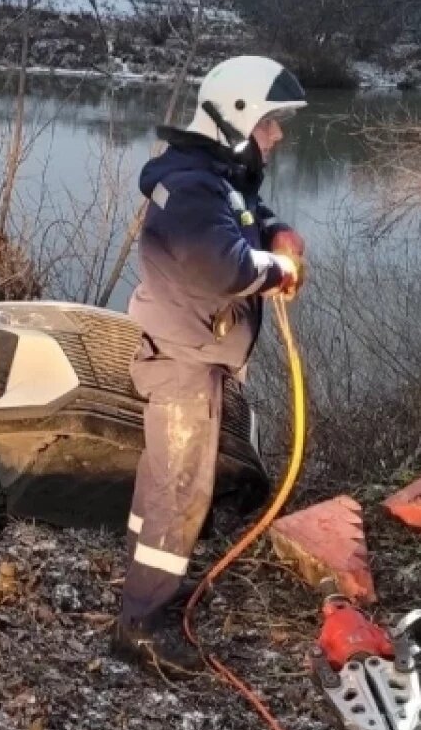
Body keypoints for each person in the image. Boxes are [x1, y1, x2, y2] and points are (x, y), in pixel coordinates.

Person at [112, 55, 308, 678]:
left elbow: (245, 218)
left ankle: (139, 574)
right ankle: (140, 625)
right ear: (240, 117)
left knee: (163, 481)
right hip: (184, 360)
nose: (278, 135)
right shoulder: (195, 187)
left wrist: (278, 233)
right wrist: (280, 269)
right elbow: (222, 267)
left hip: (188, 350)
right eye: (272, 123)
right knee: (179, 490)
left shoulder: (215, 174)